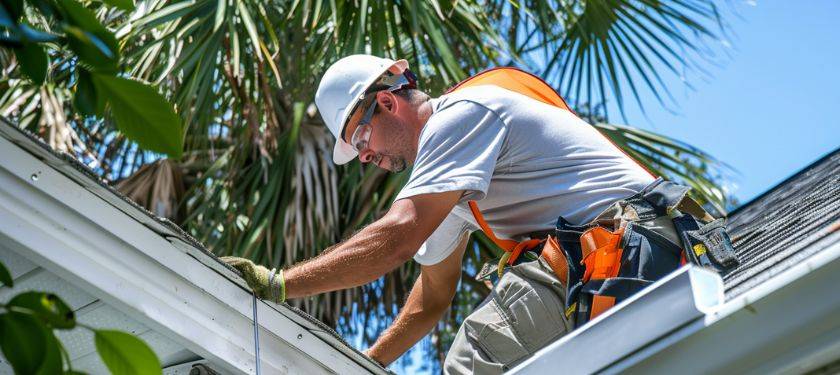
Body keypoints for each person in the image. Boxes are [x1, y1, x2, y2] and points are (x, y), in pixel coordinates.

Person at [221, 54, 731, 374]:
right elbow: (430, 300)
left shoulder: (461, 118)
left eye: (360, 139)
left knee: (474, 358)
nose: (366, 158)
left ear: (386, 103)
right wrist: (365, 364)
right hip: (626, 262)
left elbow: (397, 237)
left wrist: (279, 283)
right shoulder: (453, 184)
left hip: (638, 249)